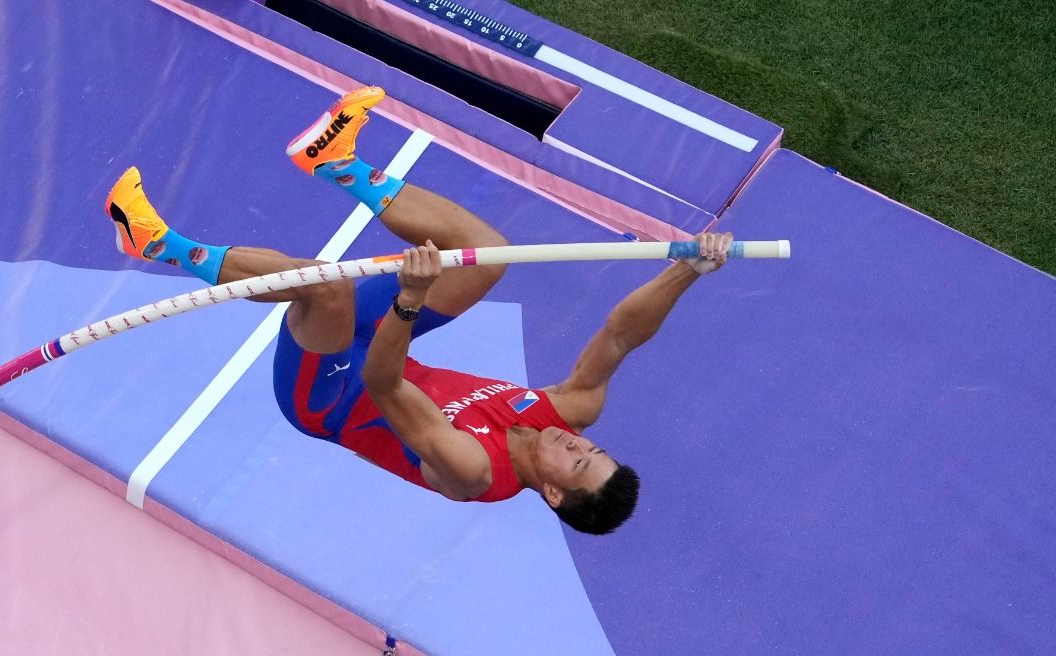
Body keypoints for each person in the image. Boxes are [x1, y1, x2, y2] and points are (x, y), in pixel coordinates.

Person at [104, 86, 730, 534]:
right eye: (592, 448)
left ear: (553, 492)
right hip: (386, 351)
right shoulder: (566, 412)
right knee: (485, 255)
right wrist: (689, 269)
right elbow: (620, 335)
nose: (577, 442)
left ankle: (155, 242)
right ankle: (336, 162)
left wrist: (411, 297)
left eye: (578, 461)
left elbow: (383, 384)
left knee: (326, 289)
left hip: (335, 395)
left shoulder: (474, 471)